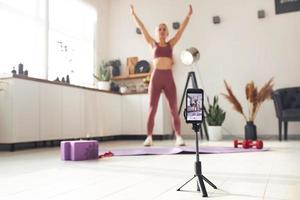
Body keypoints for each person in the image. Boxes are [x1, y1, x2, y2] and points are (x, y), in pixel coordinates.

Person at [130, 4, 193, 146]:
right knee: (152, 108)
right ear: (157, 32)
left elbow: (181, 30)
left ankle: (178, 137)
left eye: (164, 29)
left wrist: (188, 16)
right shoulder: (152, 44)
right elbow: (142, 28)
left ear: (167, 33)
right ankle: (149, 137)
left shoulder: (171, 44)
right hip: (156, 78)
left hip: (168, 78)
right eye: (160, 29)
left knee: (173, 108)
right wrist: (133, 15)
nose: (162, 31)